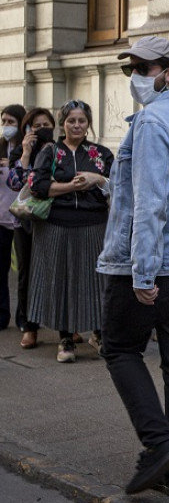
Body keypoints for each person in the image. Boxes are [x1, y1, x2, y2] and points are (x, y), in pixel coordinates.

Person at [97, 36, 169, 497]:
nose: (135, 77)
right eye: (132, 68)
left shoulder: (153, 121)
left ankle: (159, 444)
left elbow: (149, 202)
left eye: (143, 68)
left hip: (146, 263)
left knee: (119, 349)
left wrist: (141, 272)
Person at [26, 100, 114, 362]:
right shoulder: (51, 152)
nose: (77, 125)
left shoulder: (101, 153)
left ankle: (98, 334)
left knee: (96, 282)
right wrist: (71, 187)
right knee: (61, 281)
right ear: (62, 123)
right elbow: (37, 186)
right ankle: (65, 338)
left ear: (89, 124)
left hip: (94, 224)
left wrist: (97, 179)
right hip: (56, 224)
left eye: (82, 120)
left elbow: (117, 183)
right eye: (71, 120)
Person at [8, 107, 55, 349]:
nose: (41, 130)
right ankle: (29, 326)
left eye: (46, 124)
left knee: (53, 273)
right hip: (25, 221)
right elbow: (15, 183)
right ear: (27, 129)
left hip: (51, 221)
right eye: (36, 126)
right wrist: (26, 153)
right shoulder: (21, 151)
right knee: (26, 272)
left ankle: (62, 325)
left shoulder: (59, 149)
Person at [0, 104, 27, 330]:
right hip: (1, 217)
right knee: (0, 269)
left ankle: (24, 318)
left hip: (20, 216)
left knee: (23, 271)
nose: (6, 127)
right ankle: (1, 315)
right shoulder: (0, 148)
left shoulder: (26, 149)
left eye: (10, 122)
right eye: (3, 122)